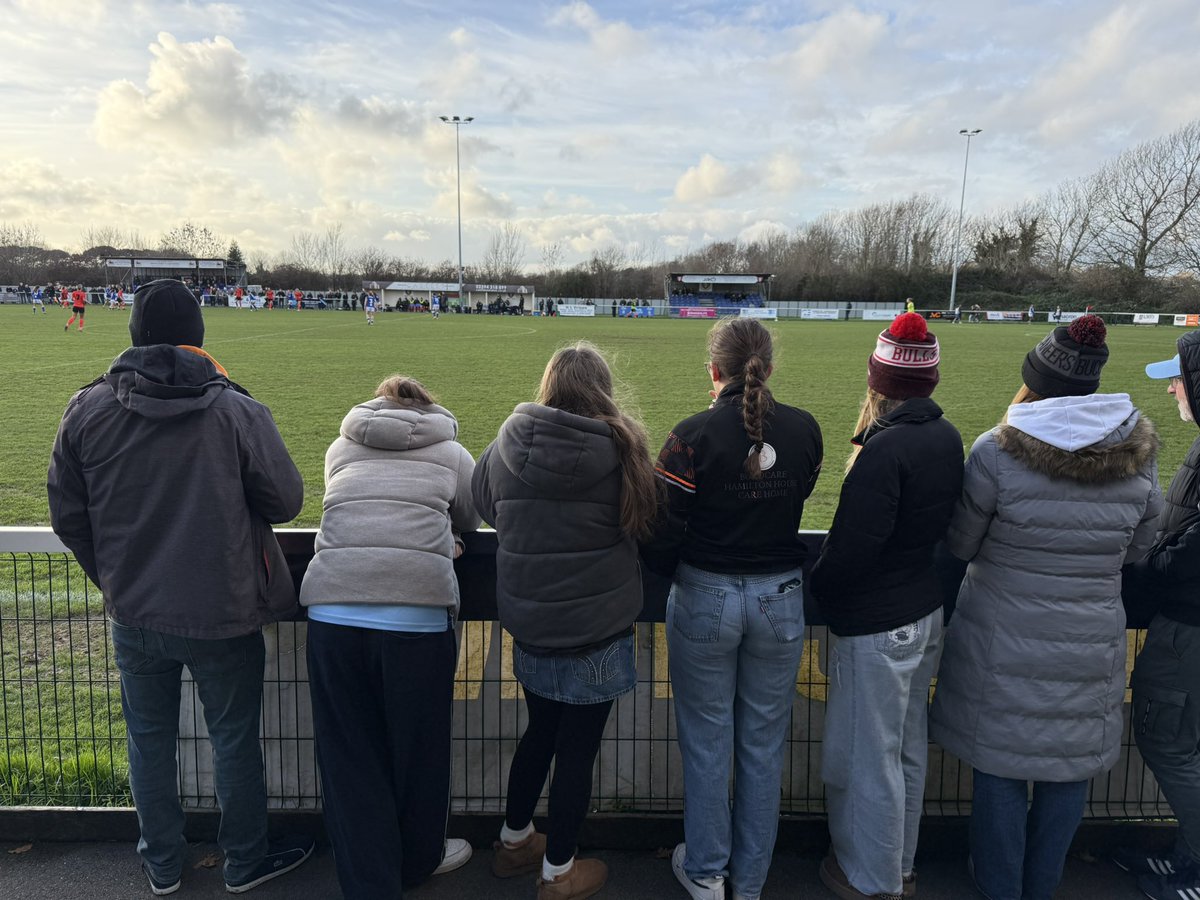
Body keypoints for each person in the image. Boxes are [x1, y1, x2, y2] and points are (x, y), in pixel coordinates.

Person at [46, 279, 313, 896]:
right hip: (223, 611)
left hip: (136, 612)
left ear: (133, 336)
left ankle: (163, 863)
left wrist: (112, 576)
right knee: (235, 742)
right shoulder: (235, 410)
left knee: (148, 743)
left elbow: (68, 516)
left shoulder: (87, 410)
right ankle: (244, 859)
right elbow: (288, 498)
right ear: (199, 339)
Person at [928, 315, 1162, 900]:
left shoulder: (996, 450)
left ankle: (1000, 885)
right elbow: (1141, 544)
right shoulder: (1139, 454)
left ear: (1034, 379)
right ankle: (1043, 885)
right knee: (1069, 768)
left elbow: (960, 543)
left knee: (1001, 768)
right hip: (1090, 639)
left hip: (1000, 638)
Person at [642, 317, 824, 900]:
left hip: (706, 595)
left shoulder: (689, 436)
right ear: (768, 368)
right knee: (763, 745)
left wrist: (687, 578)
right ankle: (748, 882)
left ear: (713, 370)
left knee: (706, 741)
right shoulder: (806, 431)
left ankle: (706, 872)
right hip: (781, 599)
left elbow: (660, 529)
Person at [473, 342, 657, 900]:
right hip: (598, 631)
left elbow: (484, 504)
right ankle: (558, 873)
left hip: (531, 626)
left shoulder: (505, 444)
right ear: (602, 387)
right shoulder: (625, 448)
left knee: (541, 735)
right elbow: (647, 519)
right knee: (577, 751)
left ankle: (512, 844)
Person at [300, 375, 479, 899]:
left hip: (333, 613)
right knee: (421, 752)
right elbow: (470, 515)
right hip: (417, 617)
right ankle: (418, 858)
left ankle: (368, 882)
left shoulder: (341, 446)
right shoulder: (451, 450)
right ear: (428, 407)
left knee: (349, 757)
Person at [811, 313, 963, 900]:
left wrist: (820, 586)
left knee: (873, 759)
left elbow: (851, 550)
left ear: (879, 379)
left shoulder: (883, 450)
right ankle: (897, 866)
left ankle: (873, 881)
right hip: (924, 613)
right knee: (904, 751)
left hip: (880, 624)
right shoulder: (945, 437)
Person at [1114, 332, 1200, 900]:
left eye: (1179, 379)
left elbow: (1187, 547)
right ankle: (1188, 857)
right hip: (1183, 618)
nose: (1172, 388)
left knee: (1166, 739)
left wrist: (1154, 563)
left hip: (1188, 625)